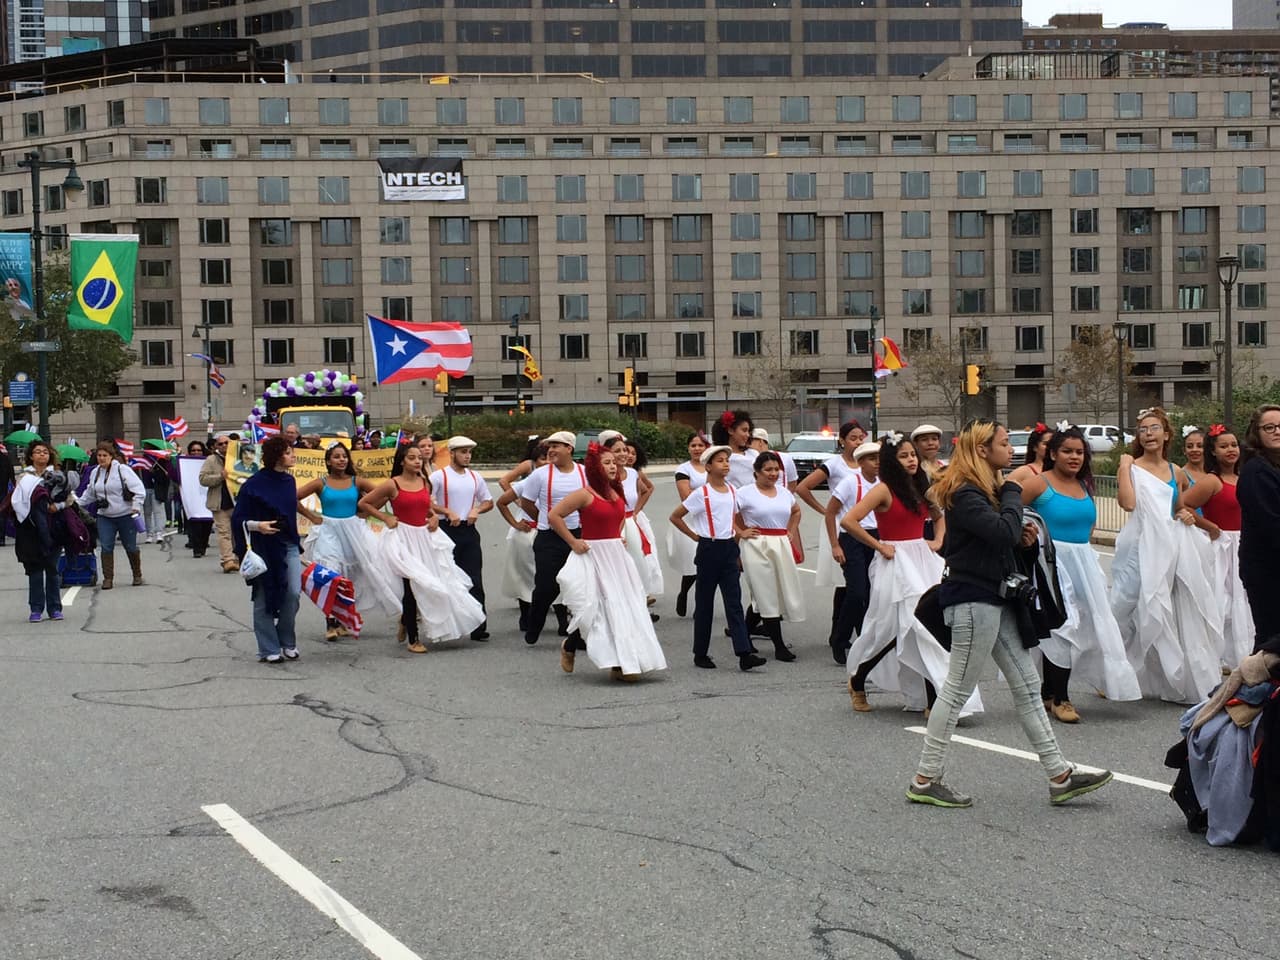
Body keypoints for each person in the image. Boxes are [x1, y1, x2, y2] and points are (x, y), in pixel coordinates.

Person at [907, 419, 1113, 809]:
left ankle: (1060, 776)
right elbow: (999, 534)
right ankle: (925, 779)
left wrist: (1023, 537)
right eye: (1004, 443)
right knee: (955, 692)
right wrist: (1014, 494)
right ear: (983, 450)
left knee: (1027, 687)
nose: (1011, 449)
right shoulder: (968, 493)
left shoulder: (984, 494)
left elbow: (999, 542)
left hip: (995, 600)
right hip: (972, 602)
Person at [842, 435, 972, 716]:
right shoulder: (883, 490)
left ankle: (932, 700)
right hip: (895, 563)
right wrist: (879, 545)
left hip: (923, 560)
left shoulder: (922, 488)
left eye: (913, 454)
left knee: (929, 626)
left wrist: (938, 541)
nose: (912, 460)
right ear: (891, 461)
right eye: (904, 456)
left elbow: (940, 516)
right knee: (893, 629)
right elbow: (848, 521)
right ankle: (859, 678)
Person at [1020, 427, 1141, 721]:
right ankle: (1061, 697)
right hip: (1051, 564)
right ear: (1052, 454)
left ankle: (1049, 691)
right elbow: (1008, 512)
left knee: (1084, 627)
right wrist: (1026, 536)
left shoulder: (1085, 486)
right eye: (1067, 451)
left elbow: (1086, 526)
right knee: (1063, 628)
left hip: (1083, 563)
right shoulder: (1039, 483)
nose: (1074, 457)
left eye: (1079, 452)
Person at [1112, 407, 1222, 704]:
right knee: (1126, 606)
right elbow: (1128, 503)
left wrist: (1185, 515)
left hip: (1170, 545)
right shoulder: (1132, 467)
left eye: (1154, 428)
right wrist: (1123, 468)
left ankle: (1162, 674)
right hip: (1139, 544)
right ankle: (1114, 668)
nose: (1148, 434)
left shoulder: (1176, 471)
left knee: (1166, 608)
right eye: (1143, 429)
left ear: (1166, 434)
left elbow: (1177, 507)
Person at [549, 443, 668, 681]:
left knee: (626, 605)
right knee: (600, 607)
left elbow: (622, 517)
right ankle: (576, 648)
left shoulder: (617, 492)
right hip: (593, 554)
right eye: (607, 463)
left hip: (616, 555)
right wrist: (574, 541)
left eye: (614, 462)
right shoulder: (585, 494)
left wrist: (618, 536)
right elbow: (554, 515)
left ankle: (624, 661)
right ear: (595, 467)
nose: (613, 466)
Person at [359, 443, 485, 652]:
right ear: (402, 461)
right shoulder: (393, 484)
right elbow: (365, 503)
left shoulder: (424, 482)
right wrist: (386, 517)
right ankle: (413, 639)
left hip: (425, 537)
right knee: (412, 585)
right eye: (412, 458)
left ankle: (406, 621)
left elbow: (425, 507)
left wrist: (434, 516)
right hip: (402, 538)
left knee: (434, 583)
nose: (417, 461)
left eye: (419, 458)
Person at [669, 445, 768, 672]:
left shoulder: (732, 490)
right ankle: (700, 652)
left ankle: (744, 653)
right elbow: (675, 516)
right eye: (720, 461)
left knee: (734, 602)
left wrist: (739, 533)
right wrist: (695, 536)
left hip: (728, 549)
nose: (725, 464)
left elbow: (729, 517)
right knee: (705, 604)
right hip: (708, 549)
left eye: (727, 460)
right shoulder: (701, 494)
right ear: (708, 467)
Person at [296, 441, 401, 641]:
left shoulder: (357, 481)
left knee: (355, 575)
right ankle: (330, 623)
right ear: (328, 461)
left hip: (354, 532)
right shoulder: (321, 483)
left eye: (344, 456)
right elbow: (294, 497)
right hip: (329, 532)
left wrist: (366, 512)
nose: (341, 460)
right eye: (336, 456)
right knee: (331, 574)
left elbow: (385, 493)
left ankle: (344, 617)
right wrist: (312, 518)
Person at [1180, 424, 1255, 667]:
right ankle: (1216, 653)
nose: (1230, 450)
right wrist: (1208, 525)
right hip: (1222, 546)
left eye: (1233, 445)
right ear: (1213, 452)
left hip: (1244, 544)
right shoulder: (1212, 481)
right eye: (1224, 446)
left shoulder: (1243, 478)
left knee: (1243, 600)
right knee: (1221, 601)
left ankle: (1240, 654)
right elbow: (1183, 504)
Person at [230, 436, 303, 663]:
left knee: (292, 593)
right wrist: (258, 526)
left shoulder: (290, 482)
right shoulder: (253, 484)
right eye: (289, 452)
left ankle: (287, 640)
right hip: (263, 547)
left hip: (288, 544)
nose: (294, 455)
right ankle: (268, 647)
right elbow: (238, 519)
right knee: (264, 597)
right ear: (277, 455)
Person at [796, 420, 867, 643]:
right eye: (853, 438)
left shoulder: (868, 464)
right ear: (842, 441)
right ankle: (841, 632)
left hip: (866, 525)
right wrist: (824, 510)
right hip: (840, 524)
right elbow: (802, 487)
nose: (857, 442)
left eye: (860, 438)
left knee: (858, 582)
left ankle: (847, 632)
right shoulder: (834, 464)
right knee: (845, 581)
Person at [517, 431, 587, 647]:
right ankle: (534, 625)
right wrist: (544, 520)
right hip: (549, 537)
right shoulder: (540, 475)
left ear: (570, 449)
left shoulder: (584, 473)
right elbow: (527, 502)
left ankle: (579, 633)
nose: (552, 450)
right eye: (550, 446)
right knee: (546, 587)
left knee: (581, 586)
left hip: (578, 534)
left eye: (557, 446)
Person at [735, 451, 805, 663]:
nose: (773, 473)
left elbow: (796, 511)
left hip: (780, 543)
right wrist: (741, 532)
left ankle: (743, 634)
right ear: (757, 472)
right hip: (756, 544)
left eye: (776, 469)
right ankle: (779, 645)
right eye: (768, 470)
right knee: (765, 592)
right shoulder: (744, 493)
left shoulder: (784, 493)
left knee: (772, 591)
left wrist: (790, 530)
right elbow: (729, 514)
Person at [429, 436, 495, 641]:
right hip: (446, 530)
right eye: (463, 452)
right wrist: (446, 510)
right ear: (452, 453)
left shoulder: (475, 477)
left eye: (469, 452)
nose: (467, 456)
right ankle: (444, 624)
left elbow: (488, 501)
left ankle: (479, 625)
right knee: (445, 577)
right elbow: (427, 502)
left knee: (474, 578)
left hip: (468, 529)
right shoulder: (439, 477)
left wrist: (476, 509)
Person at [825, 441, 881, 664]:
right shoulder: (850, 482)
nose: (876, 463)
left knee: (871, 593)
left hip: (875, 538)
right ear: (860, 462)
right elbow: (831, 514)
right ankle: (840, 638)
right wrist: (835, 545)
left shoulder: (882, 484)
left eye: (878, 458)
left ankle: (865, 640)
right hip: (851, 538)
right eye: (871, 459)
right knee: (857, 591)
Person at [1237, 404, 1280, 651]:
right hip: (1267, 570)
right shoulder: (1256, 471)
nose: (1276, 431)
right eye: (1269, 427)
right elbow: (1271, 524)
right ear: (1257, 433)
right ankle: (1250, 689)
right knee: (1271, 643)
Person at [495, 439, 548, 633]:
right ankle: (527, 610)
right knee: (525, 570)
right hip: (529, 517)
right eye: (544, 458)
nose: (548, 462)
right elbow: (503, 482)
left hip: (549, 524)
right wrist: (519, 502)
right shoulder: (529, 469)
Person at [12, 441, 67, 621]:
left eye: (45, 452)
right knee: (35, 569)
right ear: (31, 456)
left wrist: (56, 506)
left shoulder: (57, 476)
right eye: (37, 452)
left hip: (54, 527)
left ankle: (55, 608)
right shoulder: (24, 477)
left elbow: (71, 500)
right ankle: (36, 608)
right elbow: (16, 500)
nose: (42, 455)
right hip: (31, 529)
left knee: (52, 569)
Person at [86, 441, 146, 589]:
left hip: (125, 514)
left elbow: (139, 489)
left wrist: (136, 506)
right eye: (99, 455)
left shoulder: (122, 470)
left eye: (104, 455)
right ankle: (108, 578)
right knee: (106, 547)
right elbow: (90, 494)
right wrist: (75, 502)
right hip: (105, 516)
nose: (101, 458)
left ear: (111, 456)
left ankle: (137, 574)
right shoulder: (95, 472)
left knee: (130, 546)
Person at [669, 432, 709, 617]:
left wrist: (698, 490)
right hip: (690, 520)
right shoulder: (683, 469)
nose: (697, 449)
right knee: (693, 564)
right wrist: (706, 492)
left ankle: (700, 605)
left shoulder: (712, 466)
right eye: (693, 445)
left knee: (705, 565)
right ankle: (684, 593)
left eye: (700, 445)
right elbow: (686, 496)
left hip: (710, 518)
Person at [199, 435, 239, 573]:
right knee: (224, 533)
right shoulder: (211, 460)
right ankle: (227, 560)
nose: (223, 446)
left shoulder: (239, 458)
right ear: (216, 446)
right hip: (219, 502)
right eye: (220, 444)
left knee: (238, 532)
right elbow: (203, 479)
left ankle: (238, 558)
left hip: (237, 501)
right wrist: (220, 477)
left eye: (226, 443)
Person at [710, 410, 757, 490]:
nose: (748, 435)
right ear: (730, 430)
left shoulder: (754, 453)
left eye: (749, 431)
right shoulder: (719, 456)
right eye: (744, 430)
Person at [183, 439, 210, 553]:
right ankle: (196, 548)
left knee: (207, 524)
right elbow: (175, 476)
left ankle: (203, 545)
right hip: (191, 498)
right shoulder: (184, 464)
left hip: (207, 497)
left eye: (199, 450)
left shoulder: (210, 462)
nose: (196, 452)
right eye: (193, 450)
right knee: (194, 524)